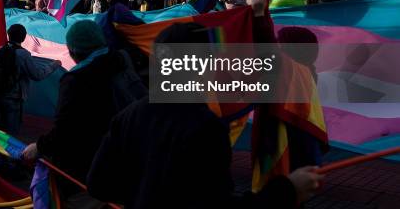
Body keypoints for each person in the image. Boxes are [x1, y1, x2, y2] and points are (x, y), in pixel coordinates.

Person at [87, 22, 324, 209]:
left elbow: (98, 184)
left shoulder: (129, 115)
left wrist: (142, 195)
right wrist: (288, 190)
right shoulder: (205, 127)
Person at [21, 20, 145, 207]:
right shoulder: (124, 61)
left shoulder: (76, 80)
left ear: (72, 51)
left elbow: (64, 131)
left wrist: (39, 147)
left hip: (87, 175)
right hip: (129, 166)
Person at [0, 24, 60, 135]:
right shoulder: (23, 55)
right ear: (24, 38)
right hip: (14, 99)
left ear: (8, 35)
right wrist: (54, 65)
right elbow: (37, 75)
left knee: (1, 132)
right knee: (11, 135)